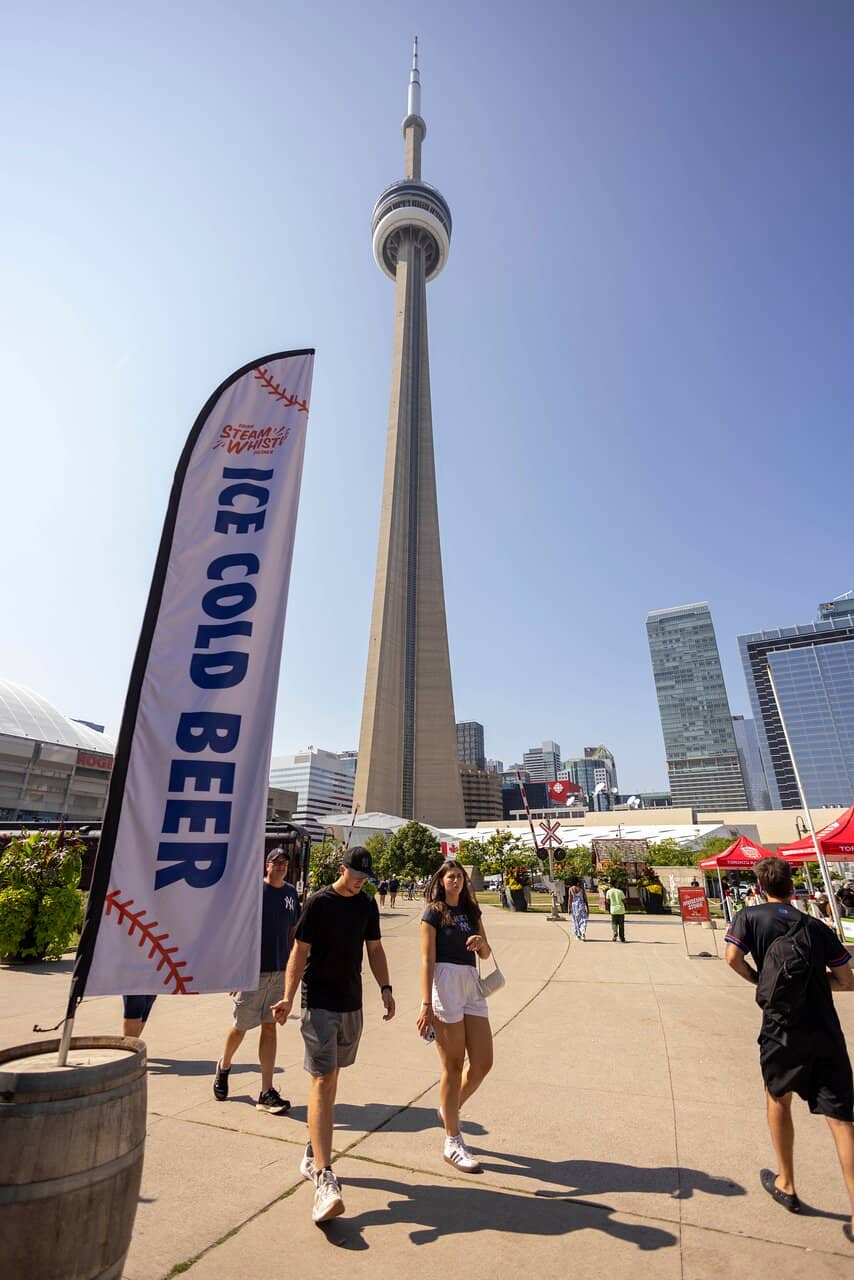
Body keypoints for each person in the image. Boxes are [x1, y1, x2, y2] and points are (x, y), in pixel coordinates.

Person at [725, 856, 854, 1245]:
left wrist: (760, 981)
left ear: (759, 885)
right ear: (791, 887)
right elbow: (847, 979)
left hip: (781, 1029)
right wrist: (817, 985)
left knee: (778, 1097)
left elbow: (732, 959)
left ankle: (787, 1182)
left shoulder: (749, 917)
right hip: (824, 1030)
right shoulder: (814, 926)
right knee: (842, 1120)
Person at [271, 846, 395, 1225]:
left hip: (351, 1004)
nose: (360, 883)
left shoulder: (366, 905)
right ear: (342, 869)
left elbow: (374, 948)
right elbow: (299, 951)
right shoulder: (320, 903)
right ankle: (324, 1177)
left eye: (365, 878)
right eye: (356, 876)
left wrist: (386, 988)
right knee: (323, 1079)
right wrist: (288, 997)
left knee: (334, 1076)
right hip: (319, 1003)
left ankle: (313, 1147)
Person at [417, 859, 493, 1174]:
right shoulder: (433, 912)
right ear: (441, 880)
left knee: (483, 1062)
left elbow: (487, 953)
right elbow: (427, 958)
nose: (456, 881)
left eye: (460, 877)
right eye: (451, 876)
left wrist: (481, 945)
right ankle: (452, 1140)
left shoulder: (472, 912)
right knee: (453, 1064)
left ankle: (449, 1108)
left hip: (470, 982)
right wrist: (426, 1004)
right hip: (445, 983)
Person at [212, 848, 300, 1113]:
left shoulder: (291, 893)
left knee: (270, 1027)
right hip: (252, 971)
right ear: (267, 865)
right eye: (277, 862)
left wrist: (295, 964)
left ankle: (266, 1091)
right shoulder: (254, 892)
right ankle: (224, 1065)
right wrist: (234, 971)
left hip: (279, 970)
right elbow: (236, 931)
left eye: (285, 863)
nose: (282, 867)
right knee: (240, 1026)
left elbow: (294, 928)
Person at [568, 876, 589, 941]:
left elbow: (570, 899)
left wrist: (569, 908)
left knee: (575, 921)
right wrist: (587, 908)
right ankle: (583, 932)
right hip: (581, 906)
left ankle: (578, 935)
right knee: (583, 920)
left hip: (574, 907)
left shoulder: (571, 889)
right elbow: (585, 899)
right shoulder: (581, 889)